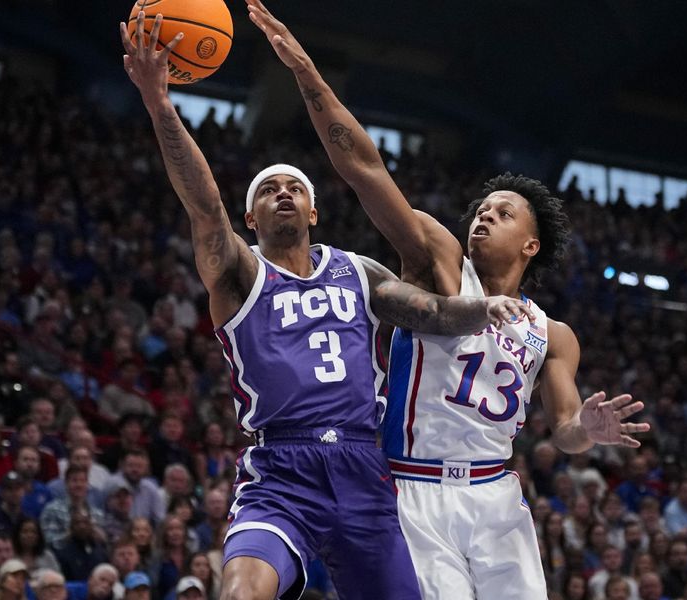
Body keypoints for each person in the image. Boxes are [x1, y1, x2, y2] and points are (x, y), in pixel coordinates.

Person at [247, 1, 651, 597]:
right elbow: (364, 169)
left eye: (503, 213)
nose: (484, 217)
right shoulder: (439, 262)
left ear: (531, 243)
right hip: (412, 490)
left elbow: (563, 429)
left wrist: (587, 430)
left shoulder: (554, 334)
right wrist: (309, 73)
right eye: (482, 210)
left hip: (496, 497)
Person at [120, 11, 528, 600]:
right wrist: (161, 107)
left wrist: (482, 309)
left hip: (365, 472)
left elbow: (435, 314)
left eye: (295, 189)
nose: (282, 193)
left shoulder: (358, 272)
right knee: (240, 592)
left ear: (313, 213)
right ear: (251, 217)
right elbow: (205, 206)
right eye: (267, 190)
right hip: (282, 470)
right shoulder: (238, 274)